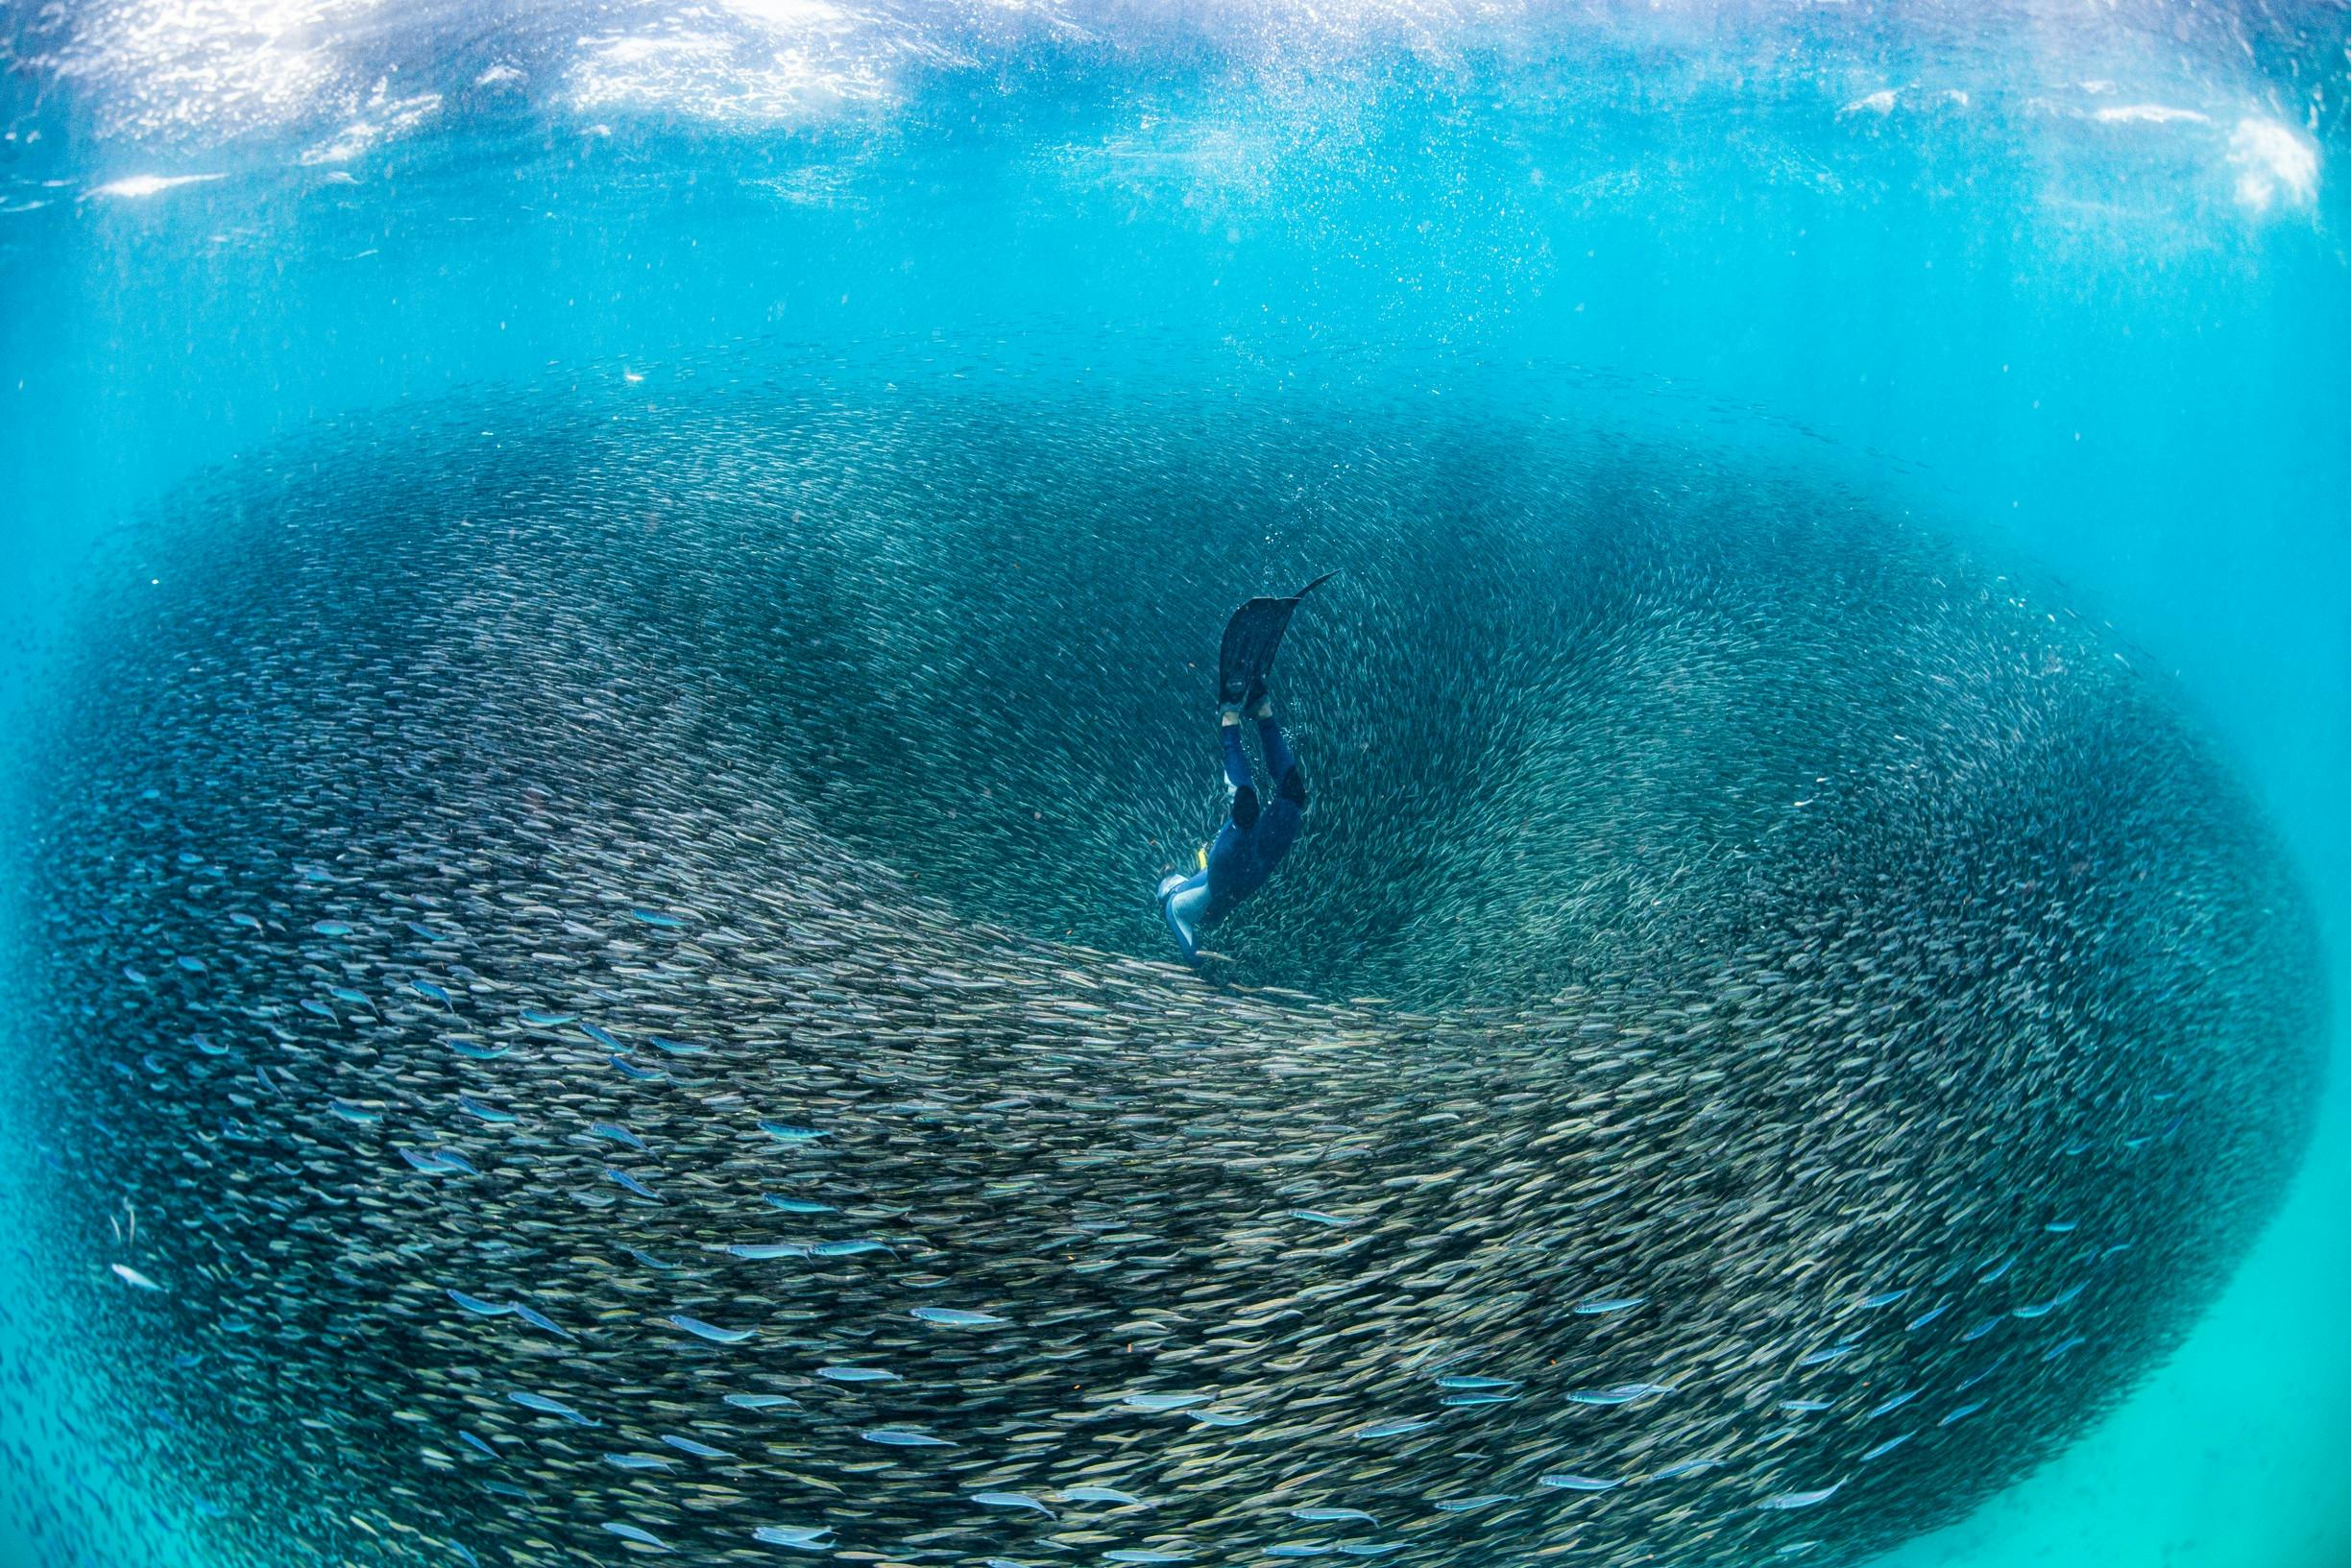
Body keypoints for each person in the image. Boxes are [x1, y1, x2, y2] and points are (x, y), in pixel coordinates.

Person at [1156, 683, 1308, 962]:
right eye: (1166, 875)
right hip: (1251, 870)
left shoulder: (1185, 897)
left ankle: (1249, 714)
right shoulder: (1172, 910)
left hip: (1237, 871)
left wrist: (1207, 972)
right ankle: (1247, 715)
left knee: (1252, 808)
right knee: (1292, 796)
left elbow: (1193, 953)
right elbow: (1193, 955)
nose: (1169, 872)